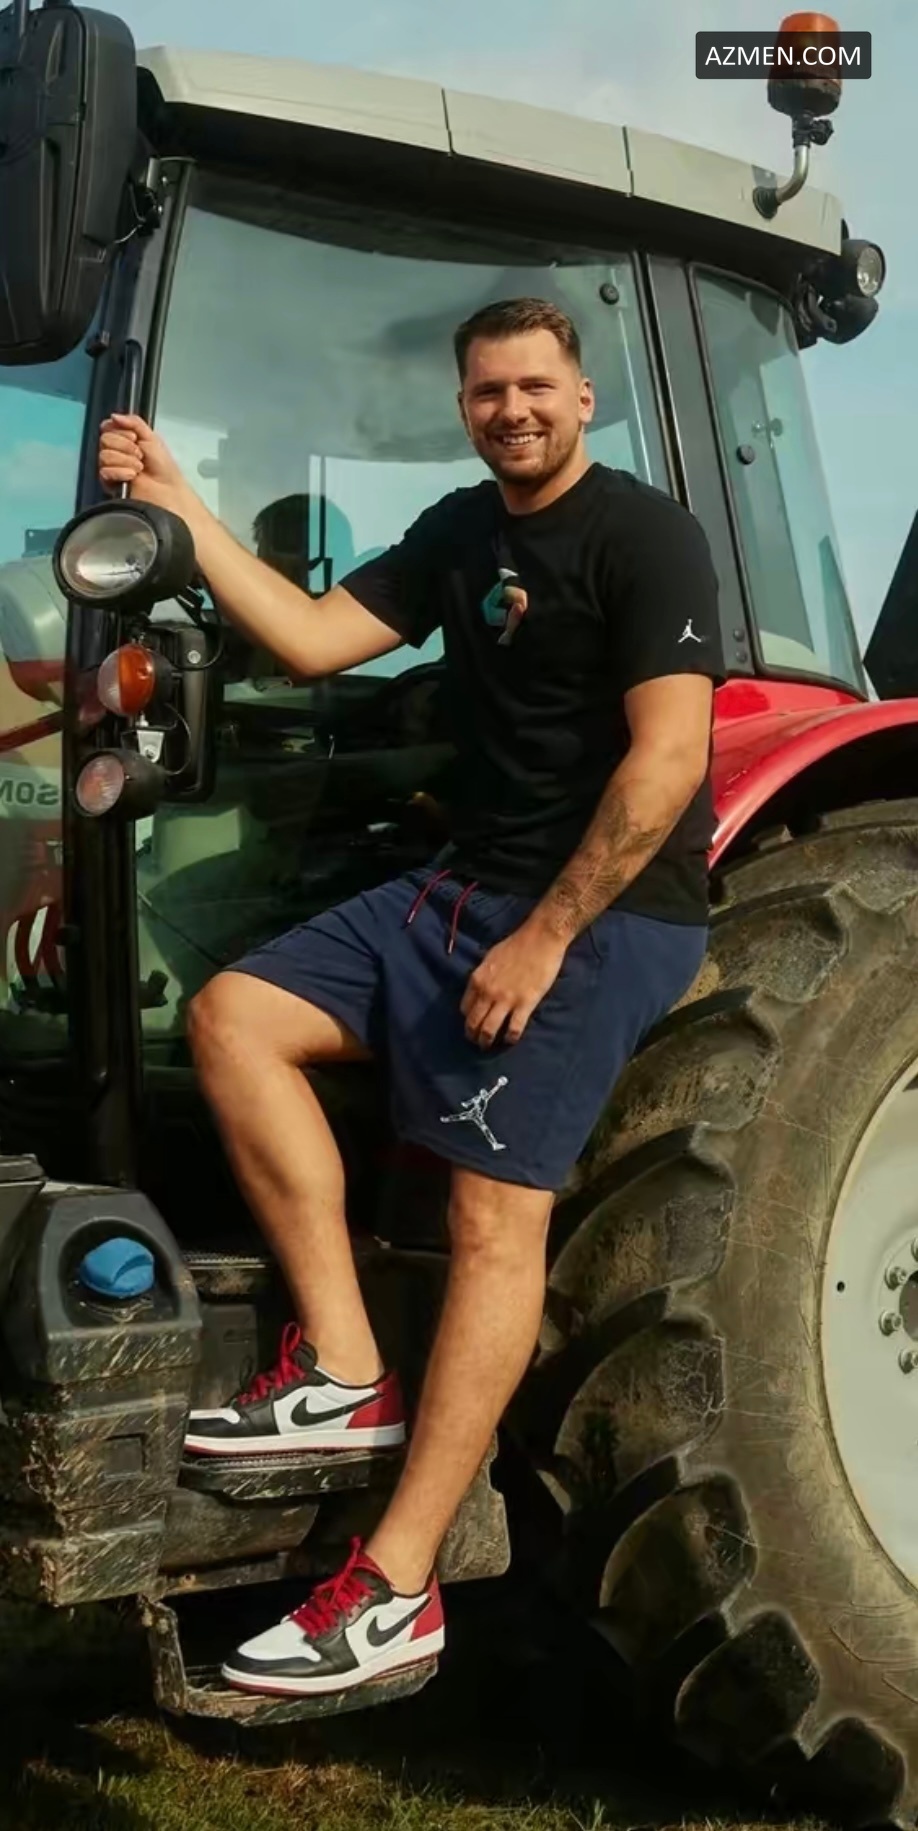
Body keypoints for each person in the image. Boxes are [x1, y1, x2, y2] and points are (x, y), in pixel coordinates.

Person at [97, 296, 725, 1703]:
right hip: (466, 884)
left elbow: (668, 762)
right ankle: (340, 1361)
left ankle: (394, 1587)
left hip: (604, 910)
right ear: (466, 408)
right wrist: (183, 509)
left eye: (537, 388)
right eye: (489, 391)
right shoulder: (460, 531)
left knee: (492, 1220)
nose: (513, 410)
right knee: (236, 1017)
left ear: (582, 398)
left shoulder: (645, 537)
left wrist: (546, 938)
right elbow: (316, 640)